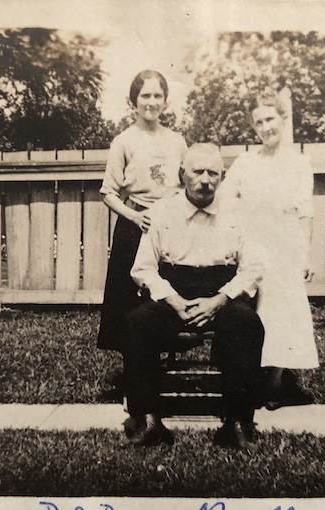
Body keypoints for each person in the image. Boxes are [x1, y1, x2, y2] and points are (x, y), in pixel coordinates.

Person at [123, 143, 265, 450]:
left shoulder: (238, 212)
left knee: (247, 322)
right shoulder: (161, 211)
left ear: (222, 177)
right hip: (174, 289)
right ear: (181, 174)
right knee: (137, 323)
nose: (205, 180)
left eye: (213, 173)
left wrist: (221, 299)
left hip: (222, 291)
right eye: (197, 171)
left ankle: (238, 423)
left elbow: (253, 268)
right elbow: (143, 268)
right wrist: (172, 299)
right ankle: (148, 421)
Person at [222, 87, 318, 410]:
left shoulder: (299, 163)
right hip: (252, 244)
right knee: (252, 310)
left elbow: (305, 213)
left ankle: (275, 383)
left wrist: (304, 253)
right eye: (258, 122)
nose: (265, 128)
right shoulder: (247, 162)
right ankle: (249, 376)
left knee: (281, 312)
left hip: (285, 244)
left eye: (270, 119)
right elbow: (224, 197)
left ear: (283, 118)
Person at [97, 70, 188, 354]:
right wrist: (135, 216)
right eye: (145, 95)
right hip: (135, 225)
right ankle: (136, 365)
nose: (151, 102)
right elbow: (108, 193)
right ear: (134, 100)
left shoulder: (177, 141)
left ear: (165, 100)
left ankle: (166, 357)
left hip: (171, 228)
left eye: (157, 95)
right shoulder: (124, 141)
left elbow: (187, 186)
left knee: (169, 292)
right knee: (129, 298)